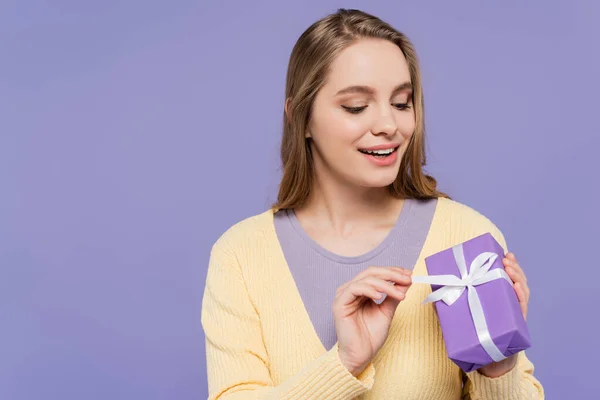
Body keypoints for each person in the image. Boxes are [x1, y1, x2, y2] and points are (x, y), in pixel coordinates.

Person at [201, 8, 544, 400]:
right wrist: (344, 364)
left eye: (401, 103)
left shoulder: (466, 242)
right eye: (356, 107)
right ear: (301, 118)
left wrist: (497, 368)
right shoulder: (241, 254)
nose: (389, 125)